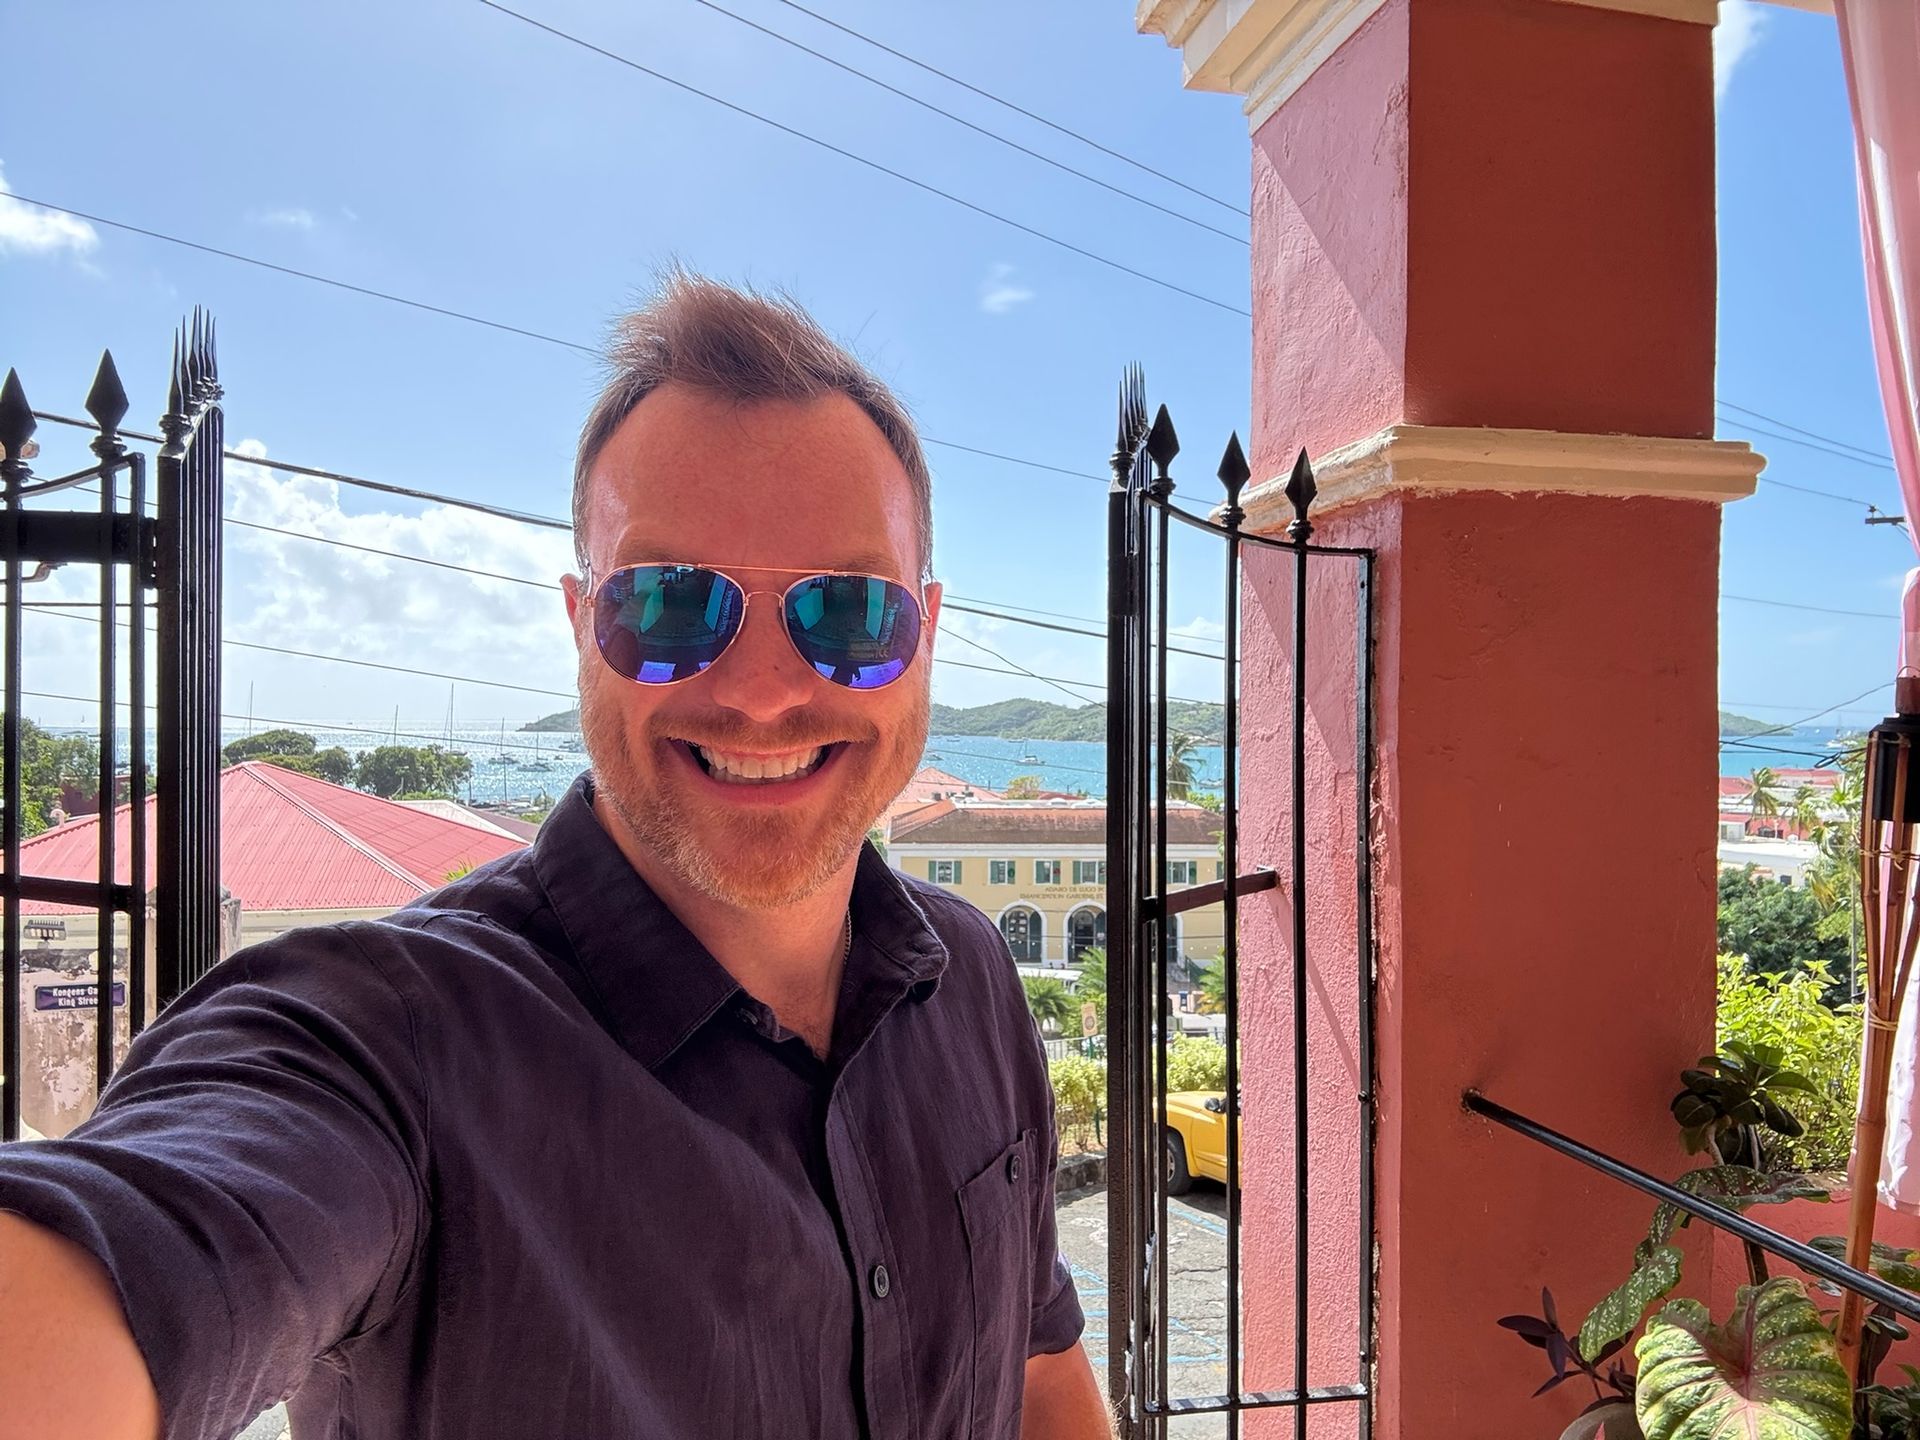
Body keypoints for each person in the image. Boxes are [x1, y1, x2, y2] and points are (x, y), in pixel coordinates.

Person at [0, 274, 1111, 1440]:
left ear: (925, 633)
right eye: (673, 606)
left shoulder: (972, 977)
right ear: (583, 626)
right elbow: (145, 1243)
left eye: (849, 613)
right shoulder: (394, 1043)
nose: (766, 692)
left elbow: (1038, 1374)